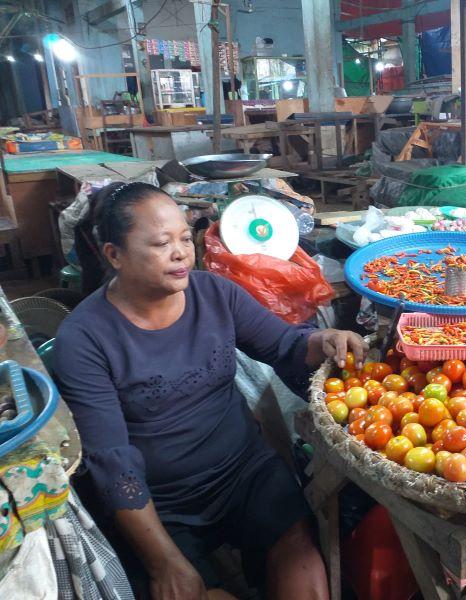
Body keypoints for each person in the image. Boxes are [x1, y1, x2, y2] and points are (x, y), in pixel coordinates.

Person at [53, 181, 366, 600]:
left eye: (185, 238)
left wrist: (324, 340)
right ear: (115, 255)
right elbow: (113, 464)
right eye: (162, 243)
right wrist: (163, 561)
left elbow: (284, 344)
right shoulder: (84, 339)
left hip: (244, 472)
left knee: (301, 559)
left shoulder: (216, 294)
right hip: (159, 503)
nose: (182, 252)